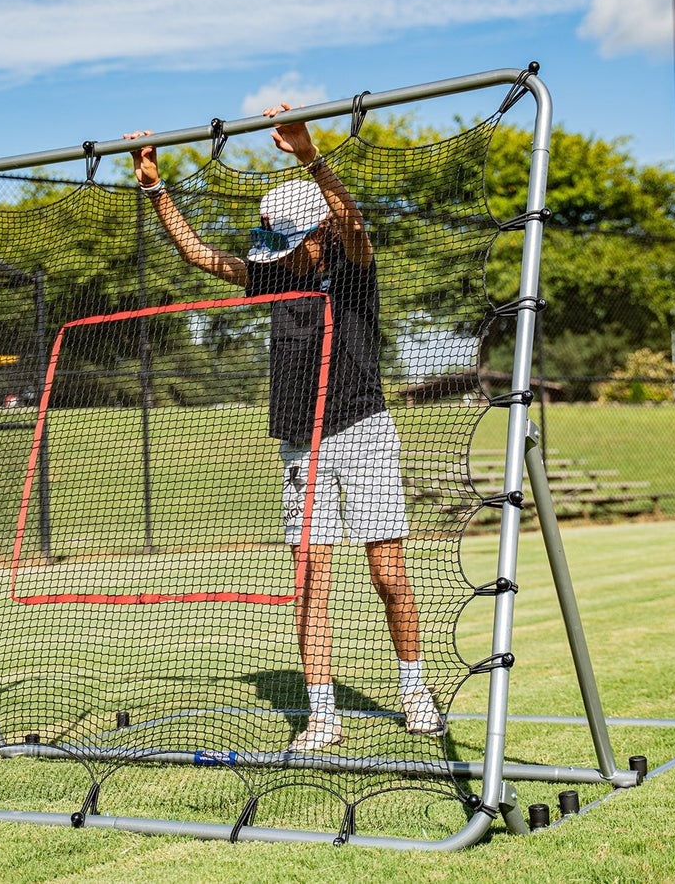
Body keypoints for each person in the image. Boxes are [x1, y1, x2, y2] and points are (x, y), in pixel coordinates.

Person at [125, 106, 443, 752]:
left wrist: (308, 154)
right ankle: (321, 713)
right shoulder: (269, 273)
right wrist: (154, 183)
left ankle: (414, 691)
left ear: (316, 229)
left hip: (363, 429)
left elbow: (353, 220)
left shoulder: (352, 263)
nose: (273, 249)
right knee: (309, 580)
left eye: (287, 236)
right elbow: (197, 253)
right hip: (300, 438)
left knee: (387, 576)